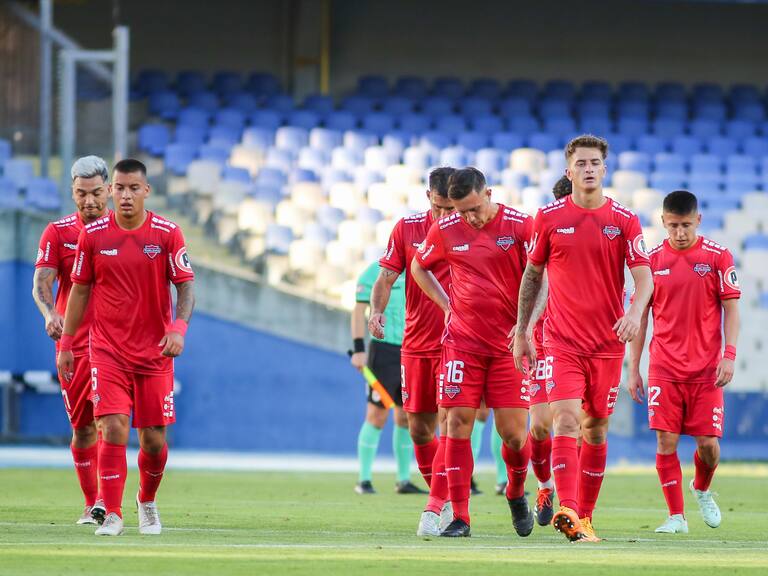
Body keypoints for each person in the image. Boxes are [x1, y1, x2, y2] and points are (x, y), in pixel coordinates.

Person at [513, 135, 653, 542]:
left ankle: (585, 517)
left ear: (604, 170)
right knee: (565, 420)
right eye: (582, 163)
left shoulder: (624, 219)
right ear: (569, 170)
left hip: (607, 343)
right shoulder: (549, 217)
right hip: (561, 341)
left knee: (595, 429)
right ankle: (568, 509)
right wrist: (523, 331)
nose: (589, 169)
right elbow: (533, 276)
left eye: (595, 163)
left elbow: (644, 278)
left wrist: (633, 312)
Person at [57, 159, 195, 536]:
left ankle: (146, 501)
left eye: (134, 188)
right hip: (107, 350)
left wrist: (178, 329)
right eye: (119, 188)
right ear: (111, 191)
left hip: (154, 353)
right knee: (112, 425)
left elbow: (185, 286)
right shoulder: (95, 235)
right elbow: (80, 289)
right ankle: (113, 512)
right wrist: (68, 343)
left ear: (146, 190)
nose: (126, 195)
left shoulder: (168, 234)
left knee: (153, 438)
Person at [412, 167, 534, 538]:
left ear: (489, 194)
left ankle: (515, 490)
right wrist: (446, 304)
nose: (469, 217)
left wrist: (526, 324)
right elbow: (419, 267)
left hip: (507, 347)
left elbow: (542, 274)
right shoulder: (447, 229)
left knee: (513, 435)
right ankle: (461, 517)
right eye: (461, 211)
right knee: (457, 424)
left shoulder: (520, 226)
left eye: (474, 208)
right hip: (462, 343)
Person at [628, 190, 740, 534]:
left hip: (707, 370)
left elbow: (731, 309)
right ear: (663, 222)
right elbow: (640, 317)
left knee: (708, 446)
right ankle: (676, 516)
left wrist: (729, 355)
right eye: (673, 225)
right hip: (664, 367)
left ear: (698, 221)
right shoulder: (651, 261)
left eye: (686, 225)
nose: (679, 232)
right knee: (666, 442)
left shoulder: (719, 257)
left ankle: (702, 488)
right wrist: (634, 367)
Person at [371, 167, 457, 535]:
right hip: (417, 343)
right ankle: (449, 497)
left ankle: (434, 507)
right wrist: (376, 311)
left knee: (451, 423)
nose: (444, 215)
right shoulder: (407, 228)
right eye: (439, 207)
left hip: (458, 343)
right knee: (417, 428)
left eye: (450, 208)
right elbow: (386, 276)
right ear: (428, 198)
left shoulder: (470, 227)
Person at [32, 156, 110, 525]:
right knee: (82, 427)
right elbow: (42, 282)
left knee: (110, 423)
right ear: (72, 192)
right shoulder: (58, 232)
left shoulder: (126, 231)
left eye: (96, 193)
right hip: (74, 345)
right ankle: (91, 501)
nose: (89, 201)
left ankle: (109, 502)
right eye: (82, 193)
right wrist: (51, 315)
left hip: (116, 343)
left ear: (109, 190)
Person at [351, 260, 425, 495]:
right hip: (383, 352)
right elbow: (358, 310)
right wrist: (358, 349)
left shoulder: (421, 269)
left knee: (406, 416)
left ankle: (403, 480)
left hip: (413, 351)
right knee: (376, 414)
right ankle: (364, 479)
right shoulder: (375, 271)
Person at [524, 175, 573, 525]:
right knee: (541, 426)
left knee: (578, 426)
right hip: (542, 339)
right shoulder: (544, 231)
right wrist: (523, 327)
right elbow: (531, 280)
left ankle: (579, 508)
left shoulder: (606, 232)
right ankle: (544, 485)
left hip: (583, 342)